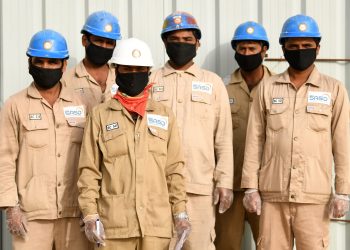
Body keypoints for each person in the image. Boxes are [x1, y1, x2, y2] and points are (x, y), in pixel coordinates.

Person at [241, 14, 350, 250]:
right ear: (283, 49)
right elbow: (254, 140)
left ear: (318, 48)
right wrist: (250, 186)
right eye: (293, 46)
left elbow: (342, 144)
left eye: (306, 46)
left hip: (314, 196)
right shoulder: (267, 88)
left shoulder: (334, 89)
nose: (300, 51)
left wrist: (343, 191)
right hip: (272, 195)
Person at [77, 37, 190, 250]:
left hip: (156, 226)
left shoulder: (165, 115)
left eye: (139, 69)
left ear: (148, 72)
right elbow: (89, 171)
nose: (133, 75)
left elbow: (174, 170)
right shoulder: (100, 116)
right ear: (116, 71)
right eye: (127, 69)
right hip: (115, 227)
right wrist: (90, 214)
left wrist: (180, 213)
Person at [150, 11, 233, 250]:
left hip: (199, 189)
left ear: (198, 43)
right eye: (174, 39)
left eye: (187, 40)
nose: (181, 44)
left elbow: (224, 138)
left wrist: (224, 181)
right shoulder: (150, 81)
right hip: (157, 190)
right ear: (165, 42)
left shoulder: (213, 83)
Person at [0, 29, 89, 249]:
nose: (46, 67)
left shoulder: (80, 104)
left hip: (74, 214)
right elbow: (4, 159)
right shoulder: (15, 105)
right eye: (39, 62)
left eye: (52, 62)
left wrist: (90, 209)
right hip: (31, 217)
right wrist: (11, 208)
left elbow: (92, 160)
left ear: (64, 65)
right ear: (29, 63)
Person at [215, 21, 273, 250]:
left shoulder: (278, 86)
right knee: (225, 245)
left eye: (252, 49)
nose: (247, 54)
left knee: (270, 245)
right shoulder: (221, 87)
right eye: (242, 49)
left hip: (268, 189)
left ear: (264, 50)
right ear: (235, 52)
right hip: (231, 187)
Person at [63, 10, 121, 112]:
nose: (104, 46)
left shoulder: (123, 76)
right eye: (99, 40)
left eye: (109, 42)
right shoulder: (65, 81)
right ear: (84, 40)